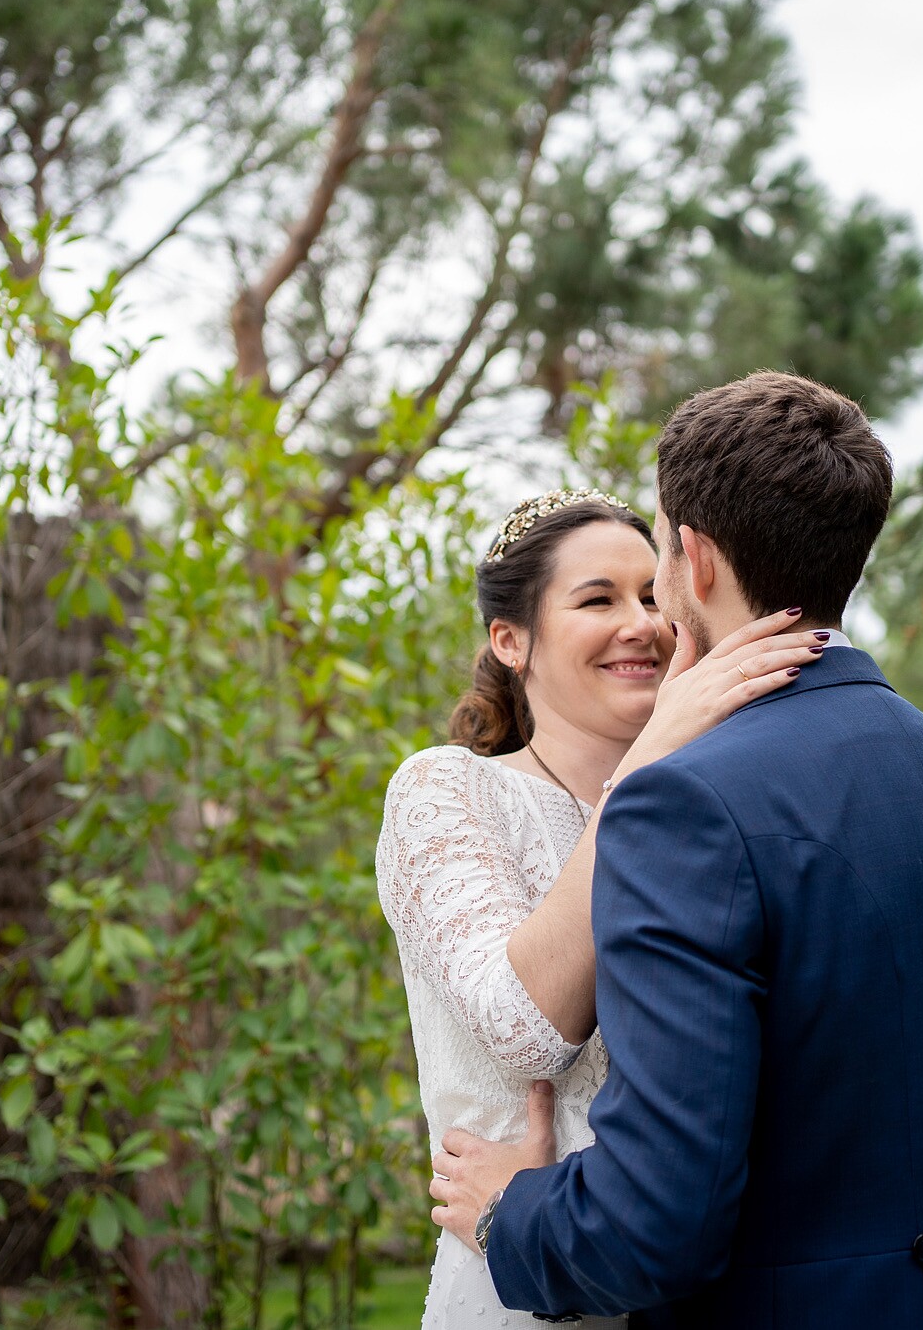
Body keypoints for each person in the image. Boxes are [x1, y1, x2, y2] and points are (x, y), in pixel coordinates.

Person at [427, 372, 923, 1329]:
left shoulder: (680, 803)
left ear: (693, 560)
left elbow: (657, 1225)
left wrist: (510, 1213)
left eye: (651, 556)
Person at [376, 488, 832, 1330]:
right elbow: (526, 1028)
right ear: (510, 640)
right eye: (597, 599)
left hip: (718, 1280)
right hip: (522, 1279)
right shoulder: (445, 790)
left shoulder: (717, 801)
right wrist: (651, 760)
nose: (645, 624)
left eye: (653, 596)